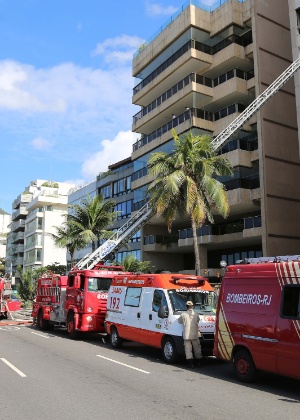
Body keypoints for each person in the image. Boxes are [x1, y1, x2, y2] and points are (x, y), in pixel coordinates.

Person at [178, 301, 202, 368]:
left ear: (186, 307)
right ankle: (199, 362)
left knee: (188, 349)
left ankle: (191, 364)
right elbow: (198, 320)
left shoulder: (183, 315)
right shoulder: (196, 314)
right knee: (197, 348)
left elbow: (179, 321)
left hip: (186, 335)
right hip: (195, 334)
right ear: (193, 306)